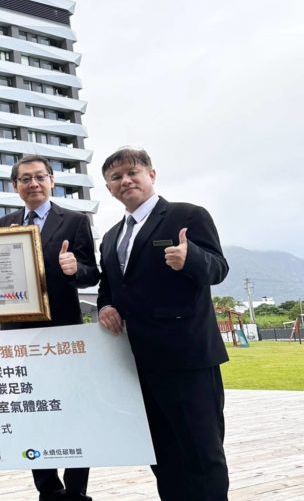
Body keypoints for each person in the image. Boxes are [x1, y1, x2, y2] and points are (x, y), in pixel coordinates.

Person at [96, 147, 229, 500]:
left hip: (187, 359)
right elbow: (108, 287)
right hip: (137, 364)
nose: (125, 181)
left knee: (202, 454)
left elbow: (218, 268)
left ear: (151, 175)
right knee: (162, 456)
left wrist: (191, 258)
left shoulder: (188, 216)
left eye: (132, 172)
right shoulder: (110, 238)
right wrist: (105, 306)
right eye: (115, 177)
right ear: (108, 188)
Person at [0, 155, 99, 501]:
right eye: (25, 179)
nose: (33, 184)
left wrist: (74, 268)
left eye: (40, 177)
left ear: (52, 181)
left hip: (63, 332)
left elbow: (92, 272)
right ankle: (48, 487)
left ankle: (77, 489)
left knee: (72, 410)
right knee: (30, 412)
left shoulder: (74, 221)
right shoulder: (3, 223)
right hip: (19, 334)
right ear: (15, 187)